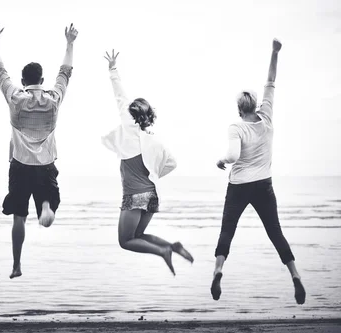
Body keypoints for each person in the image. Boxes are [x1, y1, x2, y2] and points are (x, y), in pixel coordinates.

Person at [212, 38, 306, 305]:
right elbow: (271, 81)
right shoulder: (266, 117)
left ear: (238, 109)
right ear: (255, 104)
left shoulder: (236, 127)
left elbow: (232, 156)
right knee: (275, 231)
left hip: (239, 185)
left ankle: (218, 270)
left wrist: (221, 161)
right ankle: (295, 275)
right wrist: (275, 52)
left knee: (227, 229)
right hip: (264, 185)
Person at [0, 19, 77, 279]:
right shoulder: (53, 100)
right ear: (41, 79)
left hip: (20, 166)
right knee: (47, 197)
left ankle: (16, 264)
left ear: (24, 80)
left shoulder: (16, 98)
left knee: (18, 216)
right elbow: (65, 72)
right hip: (45, 165)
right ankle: (46, 205)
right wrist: (69, 43)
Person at [101, 50, 194, 276]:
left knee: (125, 241)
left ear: (132, 114)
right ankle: (172, 246)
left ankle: (163, 252)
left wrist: (113, 69)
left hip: (135, 196)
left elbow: (120, 96)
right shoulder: (155, 142)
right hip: (152, 196)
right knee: (137, 237)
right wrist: (153, 173)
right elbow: (172, 163)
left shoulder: (128, 129)